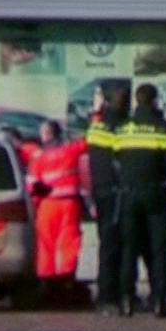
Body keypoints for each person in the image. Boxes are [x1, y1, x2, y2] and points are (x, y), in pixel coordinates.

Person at [115, 82, 166, 318]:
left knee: (129, 249)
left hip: (128, 195)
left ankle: (126, 300)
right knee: (159, 249)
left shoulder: (123, 129)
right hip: (155, 195)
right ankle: (159, 300)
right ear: (154, 101)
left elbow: (116, 160)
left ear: (137, 100)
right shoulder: (162, 128)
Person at [25, 119, 91, 306]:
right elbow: (89, 141)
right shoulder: (70, 150)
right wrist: (97, 116)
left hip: (47, 206)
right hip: (69, 204)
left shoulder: (38, 157)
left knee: (47, 245)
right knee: (68, 243)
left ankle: (48, 283)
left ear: (45, 135)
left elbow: (32, 186)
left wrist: (36, 205)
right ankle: (66, 280)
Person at [85, 86, 127, 315]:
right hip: (118, 193)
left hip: (101, 192)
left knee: (107, 246)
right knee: (119, 247)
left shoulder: (95, 130)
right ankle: (114, 296)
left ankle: (106, 296)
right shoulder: (123, 129)